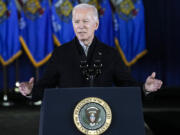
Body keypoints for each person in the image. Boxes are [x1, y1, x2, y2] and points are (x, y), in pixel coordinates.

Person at [18, 3, 162, 101]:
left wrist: (145, 88)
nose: (80, 26)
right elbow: (46, 86)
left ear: (96, 24)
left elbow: (127, 85)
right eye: (76, 21)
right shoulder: (60, 54)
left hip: (102, 118)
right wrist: (31, 91)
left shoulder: (110, 54)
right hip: (68, 116)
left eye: (85, 21)